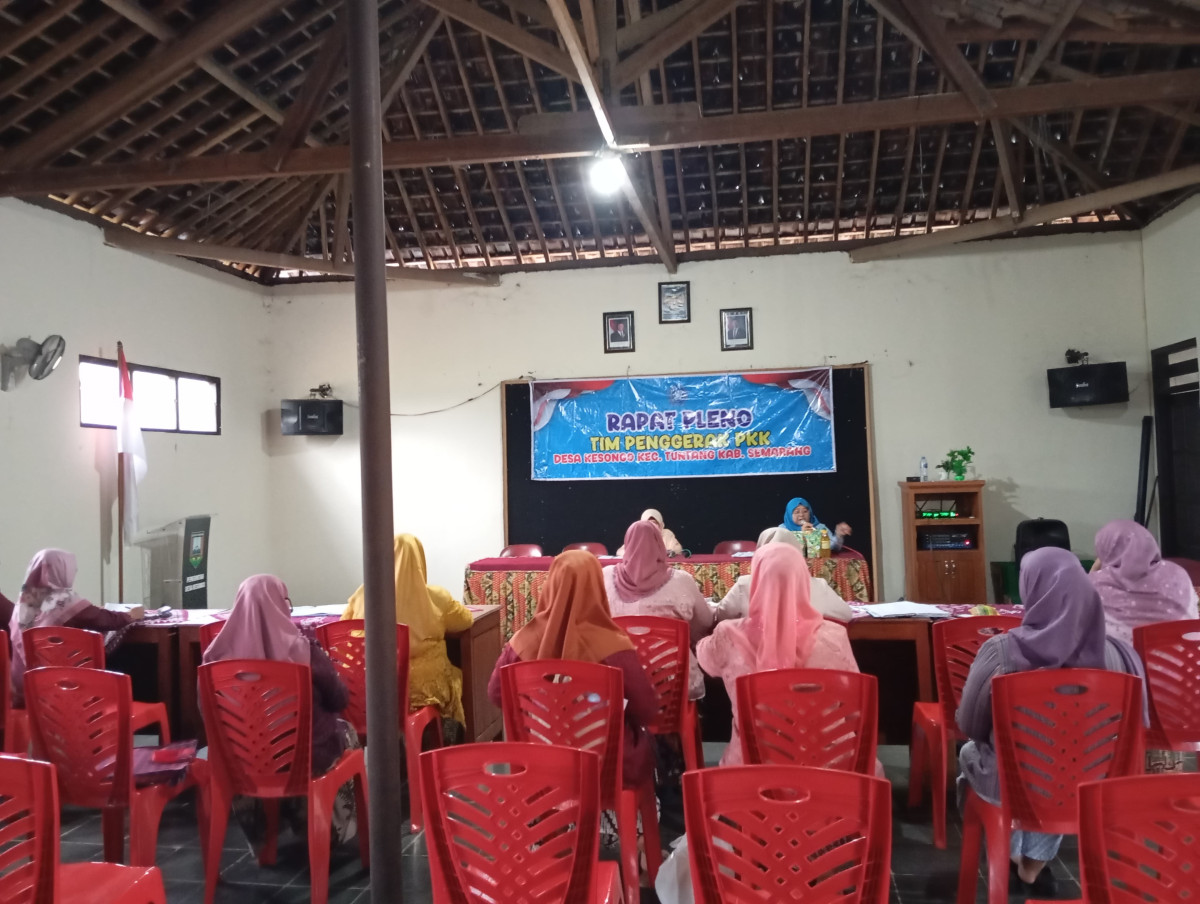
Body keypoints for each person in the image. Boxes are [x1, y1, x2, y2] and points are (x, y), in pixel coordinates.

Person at [956, 547, 1145, 896]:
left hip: (1013, 783)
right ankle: (1033, 867)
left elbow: (969, 723)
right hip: (1093, 784)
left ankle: (1007, 853)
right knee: (1067, 764)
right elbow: (1136, 730)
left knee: (978, 752)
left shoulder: (1002, 651)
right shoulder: (1123, 655)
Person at [204, 574, 357, 845]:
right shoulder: (303, 651)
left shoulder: (214, 660)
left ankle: (268, 833)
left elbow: (207, 714)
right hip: (302, 759)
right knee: (348, 733)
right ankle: (333, 827)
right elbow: (339, 699)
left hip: (241, 761)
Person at [487, 550, 660, 789]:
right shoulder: (614, 645)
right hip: (606, 767)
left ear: (551, 584)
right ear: (597, 587)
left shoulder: (522, 642)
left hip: (537, 759)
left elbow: (496, 695)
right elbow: (647, 710)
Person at [696, 542, 866, 767]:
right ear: (804, 580)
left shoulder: (728, 635)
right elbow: (854, 702)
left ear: (756, 580)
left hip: (753, 766)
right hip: (830, 766)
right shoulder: (835, 636)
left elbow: (706, 660)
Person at [1090, 519, 1198, 773]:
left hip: (1121, 707)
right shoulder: (1178, 576)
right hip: (1183, 697)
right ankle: (1179, 773)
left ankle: (1129, 775)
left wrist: (1096, 567)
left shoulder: (1095, 585)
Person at [344, 534, 473, 733]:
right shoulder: (436, 597)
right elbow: (465, 620)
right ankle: (441, 737)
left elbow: (343, 628)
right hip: (421, 691)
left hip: (372, 686)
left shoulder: (363, 594)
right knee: (455, 675)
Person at [8, 549, 136, 707]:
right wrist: (132, 615)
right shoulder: (64, 599)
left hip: (23, 692)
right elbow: (107, 620)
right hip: (60, 693)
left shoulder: (22, 603)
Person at [604, 520, 714, 699]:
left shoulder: (605, 576)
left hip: (620, 684)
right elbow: (705, 623)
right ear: (659, 544)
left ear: (627, 545)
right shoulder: (681, 581)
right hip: (673, 684)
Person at [714, 527, 853, 623]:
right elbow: (846, 614)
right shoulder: (818, 586)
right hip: (808, 656)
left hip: (753, 656)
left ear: (760, 554)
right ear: (797, 554)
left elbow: (720, 616)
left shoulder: (744, 584)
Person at [782, 496, 851, 551]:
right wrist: (802, 534)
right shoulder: (782, 529)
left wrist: (838, 535)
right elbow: (782, 550)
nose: (801, 515)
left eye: (805, 511)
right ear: (789, 515)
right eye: (797, 512)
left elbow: (833, 547)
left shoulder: (820, 527)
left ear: (810, 512)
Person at [615, 508, 684, 557]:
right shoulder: (637, 534)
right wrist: (636, 554)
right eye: (648, 523)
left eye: (654, 523)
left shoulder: (667, 533)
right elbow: (620, 551)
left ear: (660, 524)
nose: (652, 526)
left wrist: (671, 552)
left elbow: (678, 549)